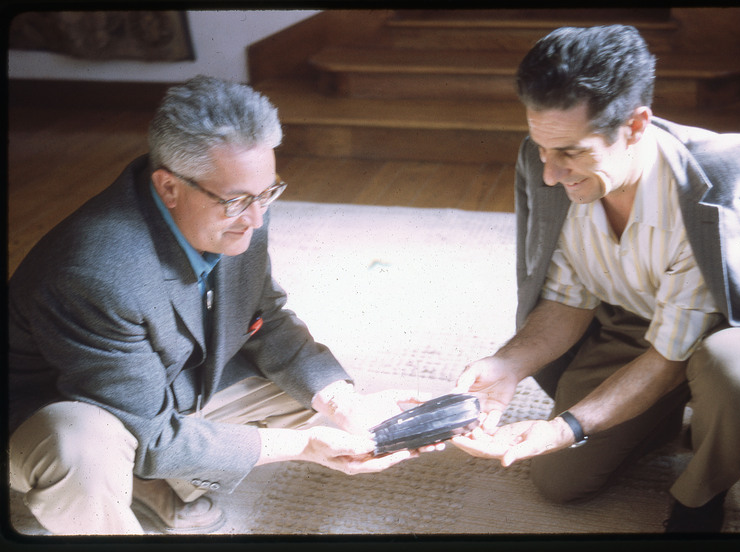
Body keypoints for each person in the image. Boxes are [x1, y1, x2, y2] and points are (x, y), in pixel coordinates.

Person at [7, 75, 426, 535]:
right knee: (85, 444)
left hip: (155, 389)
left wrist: (342, 401)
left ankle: (142, 481)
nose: (257, 218)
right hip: (51, 420)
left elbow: (263, 322)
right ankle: (79, 497)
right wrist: (303, 445)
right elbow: (154, 437)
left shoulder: (241, 203)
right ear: (169, 188)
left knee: (316, 395)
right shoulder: (94, 275)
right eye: (239, 201)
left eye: (268, 192)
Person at [450, 25, 740, 533]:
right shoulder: (541, 163)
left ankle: (703, 495)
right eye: (544, 149)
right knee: (559, 481)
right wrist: (507, 365)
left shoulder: (710, 187)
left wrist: (569, 424)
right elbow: (567, 300)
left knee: (733, 369)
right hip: (635, 320)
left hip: (730, 327)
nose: (550, 175)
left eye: (572, 152)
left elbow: (671, 355)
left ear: (636, 125)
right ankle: (655, 423)